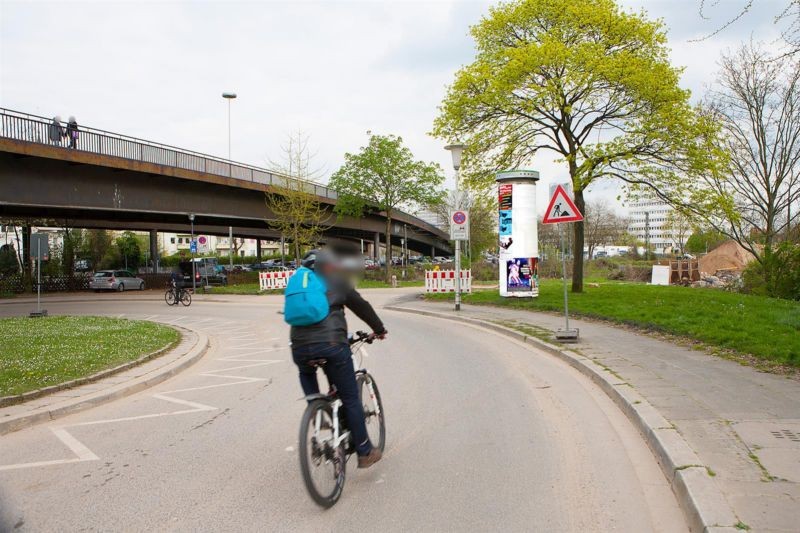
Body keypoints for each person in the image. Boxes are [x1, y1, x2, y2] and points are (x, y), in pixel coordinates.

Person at [290, 249, 387, 469]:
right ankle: (364, 450)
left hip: (299, 347)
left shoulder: (299, 284)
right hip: (333, 345)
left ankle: (317, 410)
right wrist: (379, 329)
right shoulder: (337, 282)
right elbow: (362, 307)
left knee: (306, 371)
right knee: (350, 396)